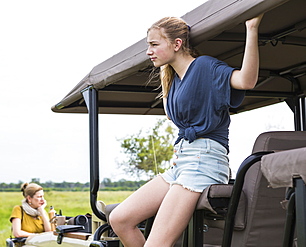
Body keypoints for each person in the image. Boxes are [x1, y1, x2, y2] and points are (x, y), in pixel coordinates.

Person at [109, 14, 263, 247]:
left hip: (203, 162)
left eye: (154, 44)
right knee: (119, 218)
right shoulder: (174, 80)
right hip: (181, 162)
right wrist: (165, 76)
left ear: (177, 44)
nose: (149, 51)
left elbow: (246, 81)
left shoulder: (204, 66)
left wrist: (251, 29)